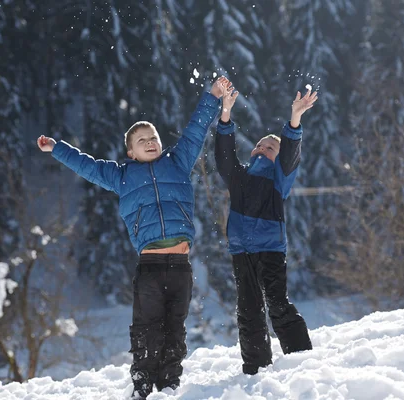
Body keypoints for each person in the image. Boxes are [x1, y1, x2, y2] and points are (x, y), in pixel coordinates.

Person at [37, 76, 229, 398]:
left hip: (181, 265)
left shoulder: (178, 162)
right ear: (131, 150)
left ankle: (169, 385)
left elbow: (196, 129)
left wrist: (212, 95)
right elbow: (87, 166)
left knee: (174, 329)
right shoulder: (122, 176)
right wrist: (57, 149)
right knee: (146, 328)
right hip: (150, 267)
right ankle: (142, 386)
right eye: (142, 140)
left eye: (153, 136)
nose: (150, 142)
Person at [214, 83, 318, 375]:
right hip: (240, 251)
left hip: (270, 249)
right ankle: (255, 367)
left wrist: (294, 119)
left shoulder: (279, 177)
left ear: (278, 155)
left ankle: (300, 358)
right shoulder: (240, 176)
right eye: (260, 144)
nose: (263, 148)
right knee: (248, 311)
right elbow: (223, 159)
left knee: (277, 303)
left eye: (270, 146)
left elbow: (290, 155)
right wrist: (225, 117)